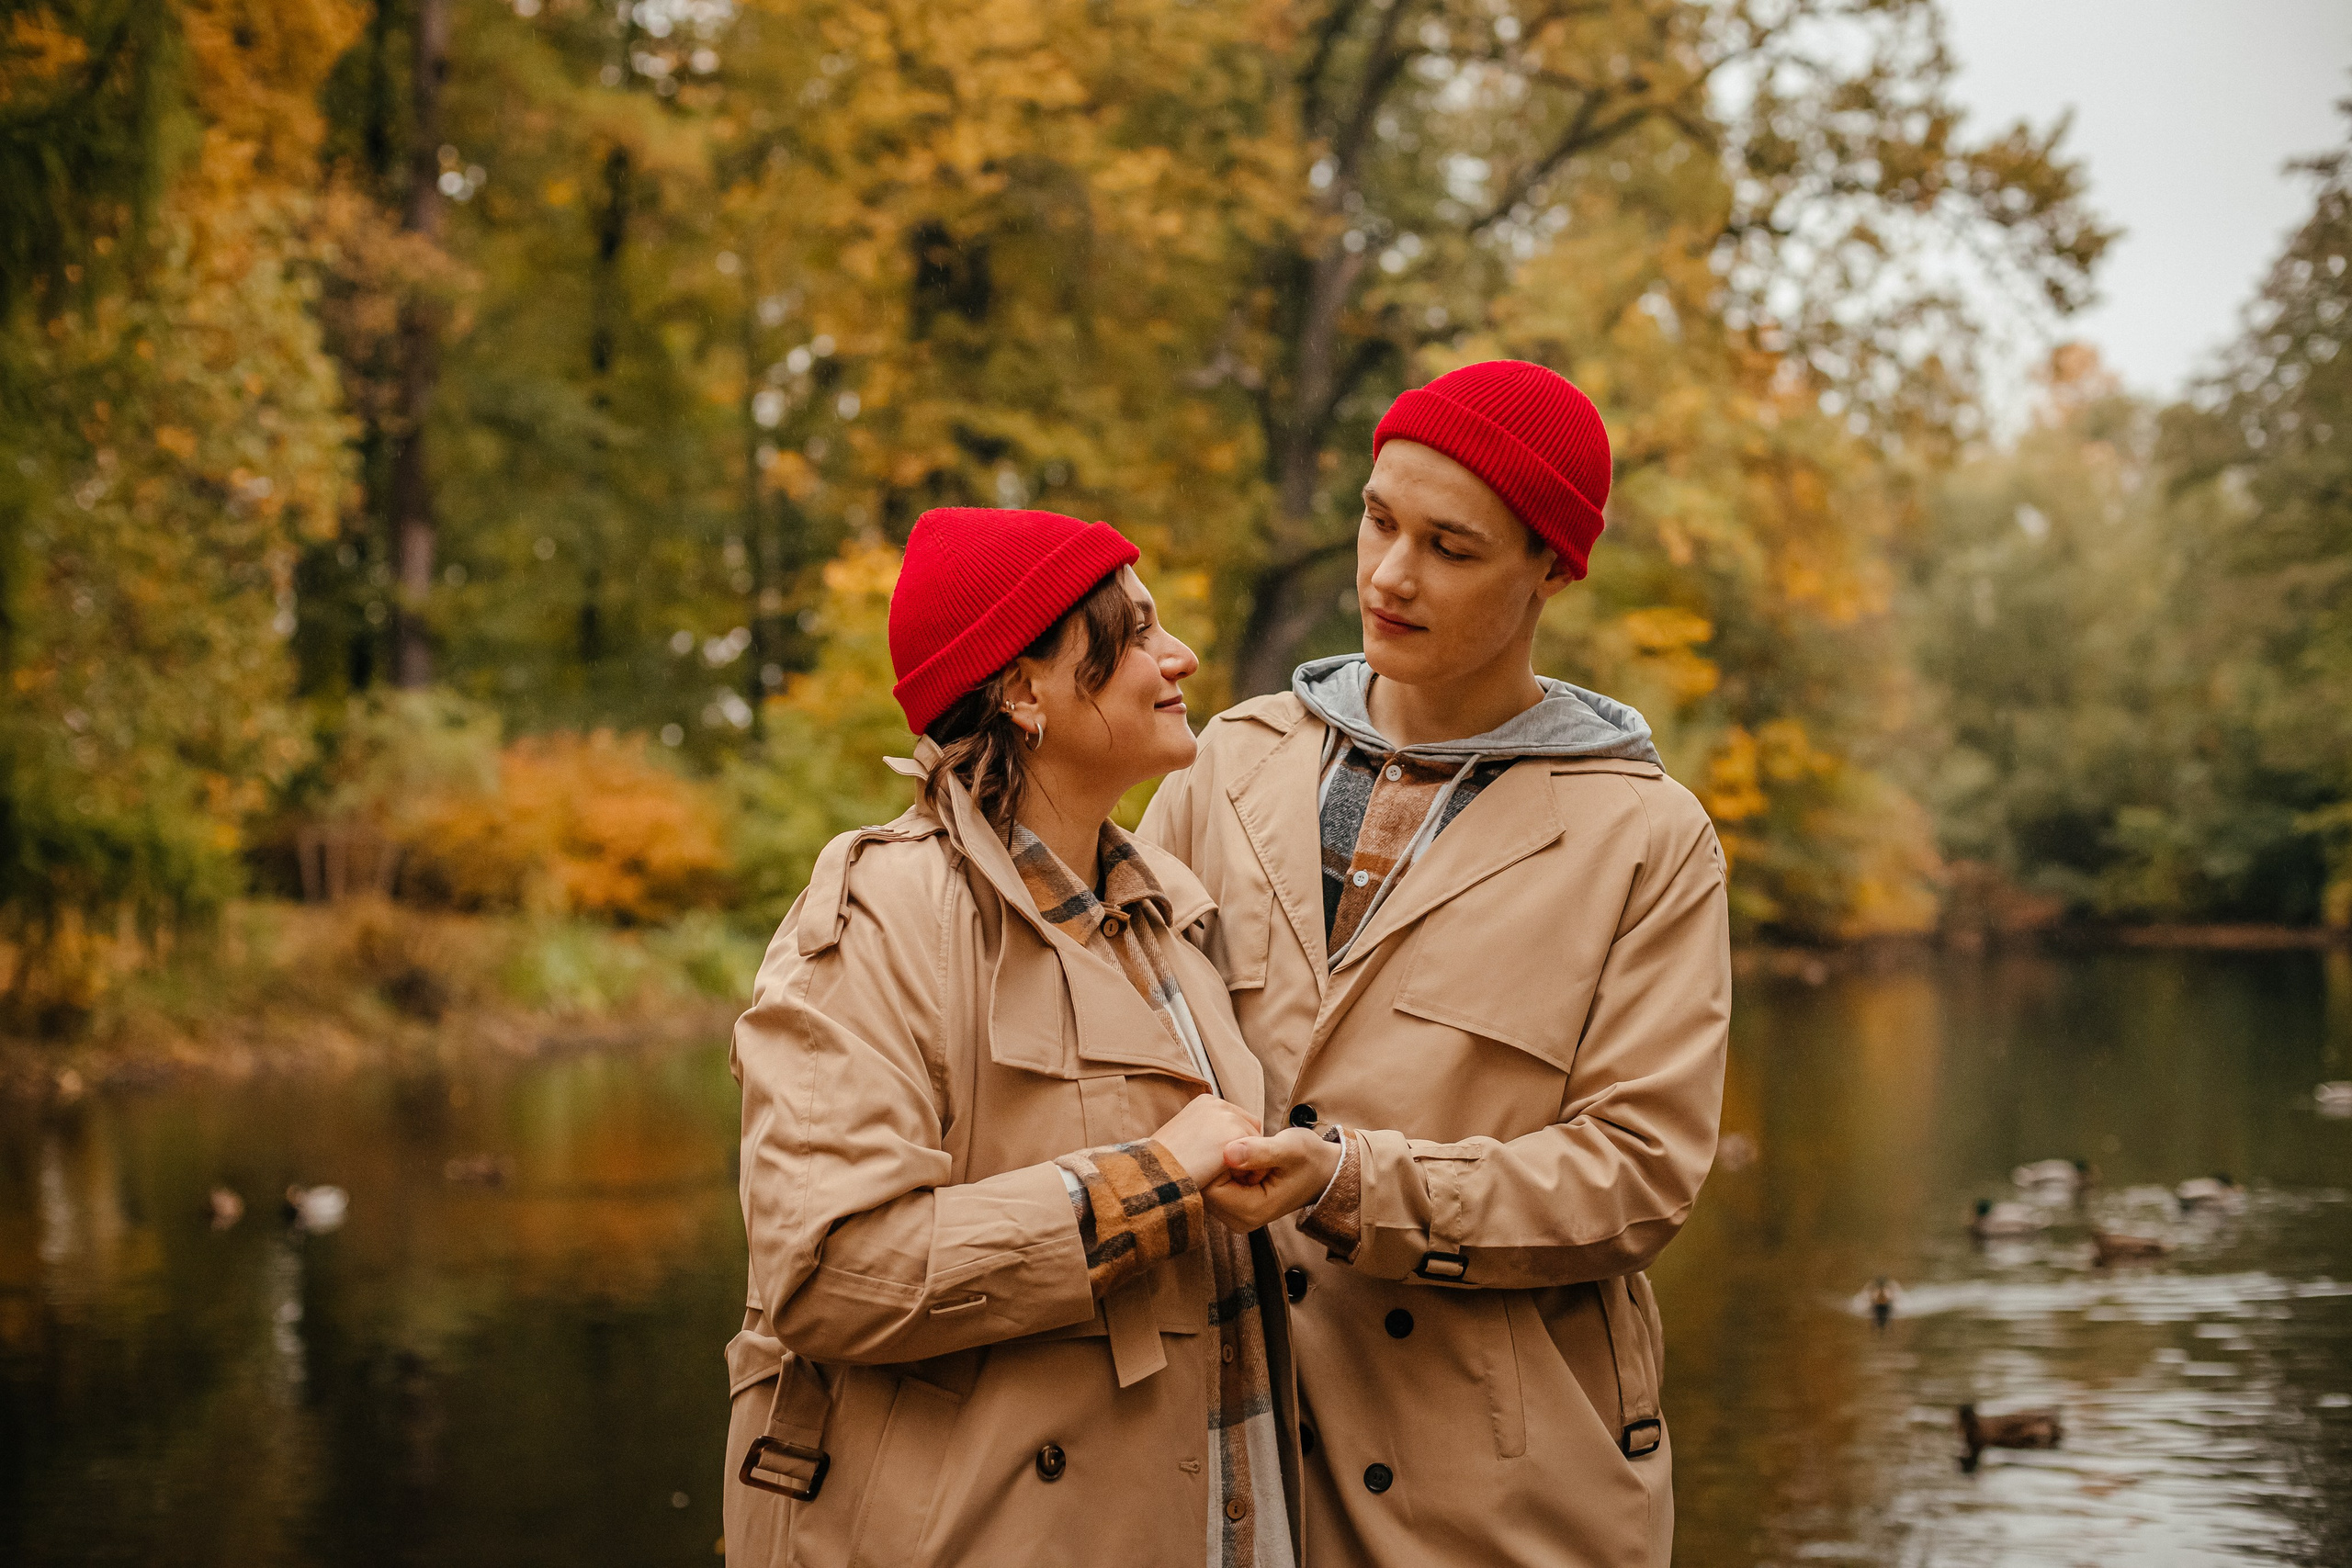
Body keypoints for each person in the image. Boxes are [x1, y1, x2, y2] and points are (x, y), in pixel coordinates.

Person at [1141, 361, 1730, 1567]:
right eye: (1377, 519)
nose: (1390, 574)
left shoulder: (1649, 838)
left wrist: (1349, 1179)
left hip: (1497, 1503)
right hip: (1216, 1462)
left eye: (1449, 547)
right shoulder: (1225, 762)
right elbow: (1106, 1039)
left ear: (1551, 568)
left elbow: (1636, 1173)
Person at [723, 506, 1298, 1568]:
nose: (1179, 657)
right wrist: (1149, 1184)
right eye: (1129, 636)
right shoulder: (883, 913)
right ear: (1023, 691)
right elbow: (828, 1273)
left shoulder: (1170, 911)